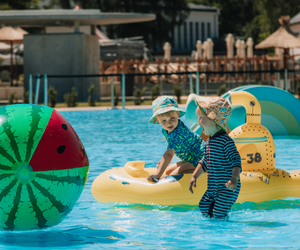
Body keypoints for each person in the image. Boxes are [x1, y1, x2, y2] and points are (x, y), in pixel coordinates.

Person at [189, 97, 241, 219]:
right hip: (213, 188)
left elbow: (236, 160)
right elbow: (204, 162)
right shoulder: (208, 142)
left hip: (227, 187)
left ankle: (224, 232)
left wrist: (234, 179)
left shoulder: (226, 141)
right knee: (203, 207)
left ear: (213, 119)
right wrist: (194, 176)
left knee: (219, 214)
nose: (198, 121)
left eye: (201, 117)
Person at [147, 96, 205, 182]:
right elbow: (171, 144)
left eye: (172, 118)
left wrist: (157, 174)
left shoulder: (178, 132)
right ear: (158, 120)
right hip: (192, 158)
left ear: (177, 114)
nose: (169, 123)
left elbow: (169, 154)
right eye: (164, 121)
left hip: (201, 157)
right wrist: (163, 161)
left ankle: (206, 172)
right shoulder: (167, 129)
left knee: (174, 175)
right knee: (168, 171)